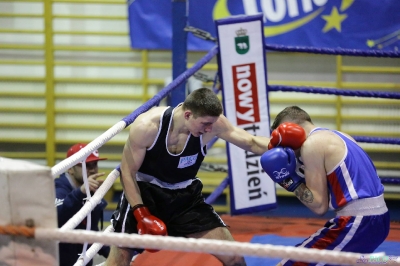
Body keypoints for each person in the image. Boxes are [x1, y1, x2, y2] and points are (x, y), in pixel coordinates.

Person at [106, 87, 270, 266]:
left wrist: (283, 145)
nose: (209, 129)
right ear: (188, 115)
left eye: (211, 124)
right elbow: (127, 173)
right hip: (144, 195)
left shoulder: (214, 124)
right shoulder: (147, 126)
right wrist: (141, 212)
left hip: (184, 197)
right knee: (118, 263)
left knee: (234, 258)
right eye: (205, 124)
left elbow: (251, 143)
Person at [260, 106, 390, 265]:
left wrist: (288, 180)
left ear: (289, 129)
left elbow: (319, 207)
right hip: (380, 218)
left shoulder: (312, 144)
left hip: (357, 222)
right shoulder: (341, 136)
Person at [55, 143, 110, 266]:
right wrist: (80, 193)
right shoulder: (58, 189)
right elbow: (56, 219)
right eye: (85, 165)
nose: (92, 169)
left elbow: (90, 230)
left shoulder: (90, 191)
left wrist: (114, 254)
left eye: (94, 164)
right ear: (70, 168)